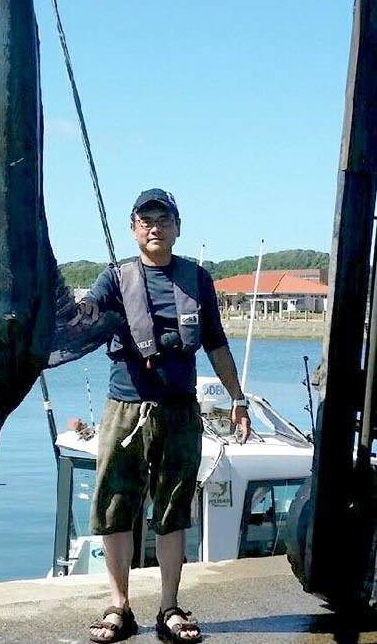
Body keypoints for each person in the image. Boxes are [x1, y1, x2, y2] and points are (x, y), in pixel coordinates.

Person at [77, 189, 250, 644]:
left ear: (177, 227)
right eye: (146, 220)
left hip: (179, 409)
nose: (155, 227)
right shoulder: (114, 278)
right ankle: (119, 607)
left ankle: (169, 607)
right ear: (133, 229)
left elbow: (216, 344)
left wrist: (238, 399)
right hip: (125, 407)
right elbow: (85, 316)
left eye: (164, 219)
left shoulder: (197, 279)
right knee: (115, 507)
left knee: (173, 508)